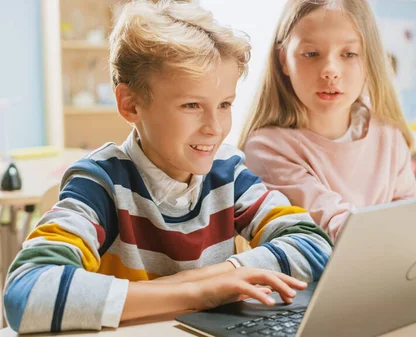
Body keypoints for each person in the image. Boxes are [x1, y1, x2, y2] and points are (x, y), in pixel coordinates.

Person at [3, 1, 332, 333]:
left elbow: (313, 244)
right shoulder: (101, 183)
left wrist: (222, 274)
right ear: (130, 104)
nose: (215, 127)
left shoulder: (227, 173)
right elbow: (26, 292)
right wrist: (195, 292)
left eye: (224, 104)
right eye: (191, 105)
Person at [239, 0, 416, 241]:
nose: (330, 70)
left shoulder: (388, 134)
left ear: (369, 60)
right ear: (283, 60)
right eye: (311, 54)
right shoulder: (267, 149)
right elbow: (333, 225)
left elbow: (412, 213)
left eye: (349, 53)